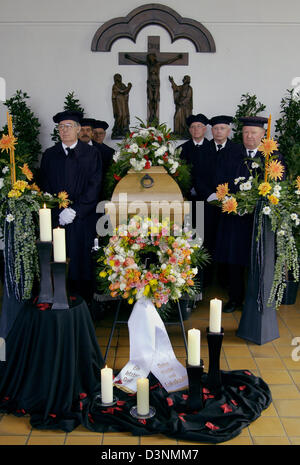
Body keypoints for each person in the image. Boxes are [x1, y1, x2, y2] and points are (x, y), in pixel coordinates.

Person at [215, 116, 285, 312]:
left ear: (263, 135)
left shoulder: (273, 157)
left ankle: (257, 301)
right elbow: (220, 181)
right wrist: (231, 200)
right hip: (235, 217)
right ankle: (235, 298)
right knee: (235, 260)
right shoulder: (232, 154)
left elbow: (278, 185)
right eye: (246, 132)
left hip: (259, 219)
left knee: (257, 261)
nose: (249, 136)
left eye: (253, 133)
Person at [40, 110, 102, 304]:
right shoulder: (50, 155)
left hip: (82, 219)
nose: (64, 130)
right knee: (59, 260)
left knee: (83, 262)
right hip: (58, 220)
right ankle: (60, 302)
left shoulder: (91, 154)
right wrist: (59, 211)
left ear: (77, 129)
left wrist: (76, 210)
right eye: (61, 127)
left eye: (68, 126)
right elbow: (45, 186)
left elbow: (95, 185)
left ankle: (84, 308)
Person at [125, 52, 182, 122]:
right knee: (150, 99)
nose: (149, 58)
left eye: (151, 57)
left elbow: (167, 61)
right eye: (149, 57)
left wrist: (177, 58)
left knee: (155, 100)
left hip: (156, 84)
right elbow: (138, 61)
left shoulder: (158, 64)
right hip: (150, 84)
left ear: (154, 57)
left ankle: (154, 114)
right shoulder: (148, 64)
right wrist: (129, 57)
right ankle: (151, 114)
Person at [112, 73, 132, 138]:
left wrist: (129, 87)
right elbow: (122, 91)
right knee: (120, 115)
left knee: (125, 114)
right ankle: (117, 129)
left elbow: (126, 92)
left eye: (119, 77)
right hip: (118, 101)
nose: (118, 78)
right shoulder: (115, 86)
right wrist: (129, 86)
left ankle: (124, 129)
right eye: (117, 77)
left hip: (123, 102)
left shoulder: (122, 85)